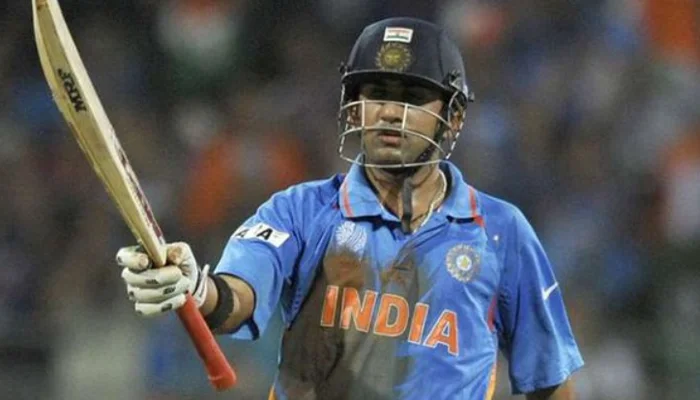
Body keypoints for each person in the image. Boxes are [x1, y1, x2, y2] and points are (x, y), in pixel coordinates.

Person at [117, 17, 584, 399]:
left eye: (412, 97)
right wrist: (197, 288)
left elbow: (549, 380)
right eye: (376, 93)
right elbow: (238, 297)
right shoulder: (300, 211)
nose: (389, 113)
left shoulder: (502, 231)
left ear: (454, 116)